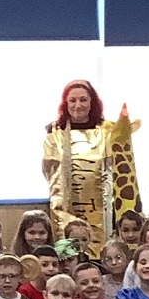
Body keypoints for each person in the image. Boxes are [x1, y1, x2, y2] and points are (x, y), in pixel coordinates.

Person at [41, 80, 138, 243]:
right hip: (66, 211)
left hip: (103, 214)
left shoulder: (108, 131)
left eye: (83, 100)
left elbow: (122, 171)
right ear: (66, 104)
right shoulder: (55, 134)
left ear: (92, 102)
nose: (78, 105)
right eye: (72, 100)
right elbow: (49, 173)